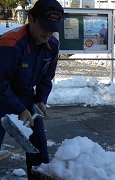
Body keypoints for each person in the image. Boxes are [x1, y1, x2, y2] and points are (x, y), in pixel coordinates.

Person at [0, 0, 63, 179]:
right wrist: (20, 109)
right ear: (31, 19)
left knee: (38, 148)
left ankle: (38, 176)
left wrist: (40, 99)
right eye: (45, 26)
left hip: (25, 95)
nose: (49, 32)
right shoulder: (10, 45)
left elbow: (46, 77)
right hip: (1, 93)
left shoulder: (52, 45)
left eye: (53, 28)